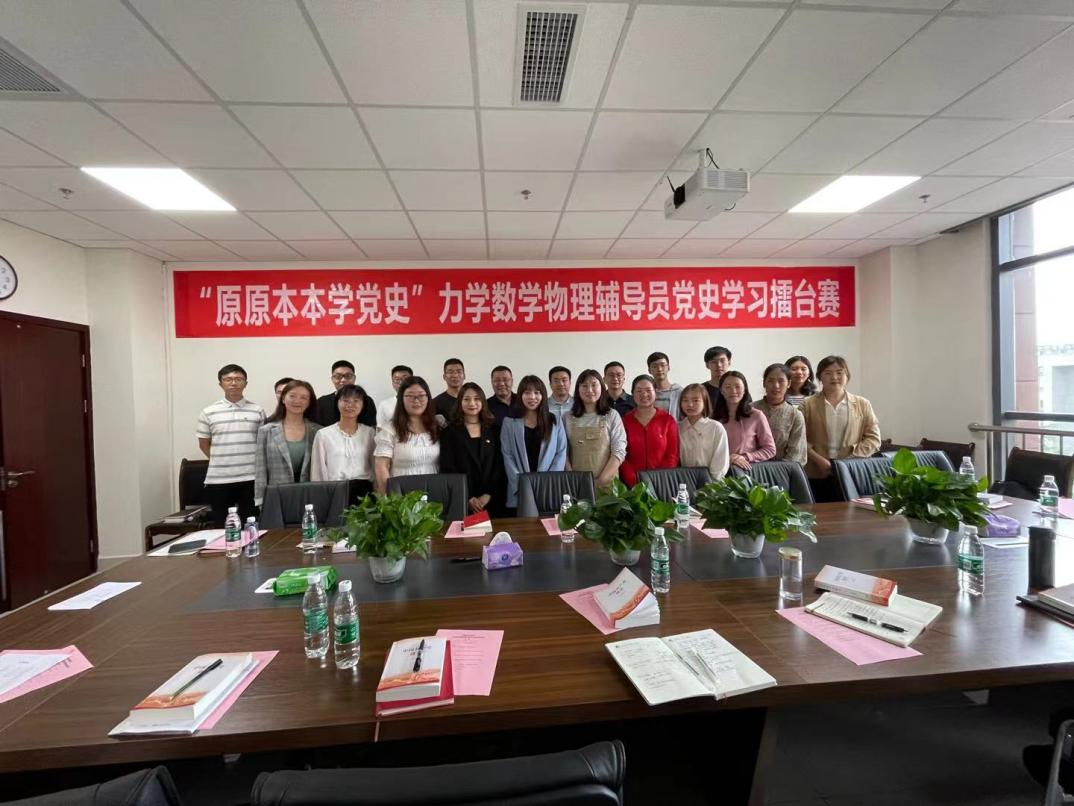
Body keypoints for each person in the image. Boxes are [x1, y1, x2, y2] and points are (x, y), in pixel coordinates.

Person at [800, 356, 882, 500]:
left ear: (847, 376)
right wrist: (819, 460)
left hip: (852, 471)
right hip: (816, 471)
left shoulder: (862, 404)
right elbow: (798, 439)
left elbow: (874, 439)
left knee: (851, 512)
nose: (834, 377)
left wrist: (849, 460)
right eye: (828, 373)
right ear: (819, 377)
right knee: (818, 511)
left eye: (839, 372)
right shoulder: (806, 404)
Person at [197, 364, 266, 525]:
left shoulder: (257, 410)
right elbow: (203, 443)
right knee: (222, 526)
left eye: (238, 379)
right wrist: (221, 461)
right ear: (220, 384)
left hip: (251, 477)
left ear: (245, 383)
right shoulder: (208, 412)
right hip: (219, 479)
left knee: (251, 523)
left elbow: (262, 442)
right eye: (228, 379)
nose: (233, 383)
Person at [439, 383, 507, 516]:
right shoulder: (449, 432)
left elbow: (500, 465)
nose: (472, 403)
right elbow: (448, 467)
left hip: (493, 500)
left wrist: (488, 494)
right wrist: (468, 497)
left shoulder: (494, 430)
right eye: (466, 399)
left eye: (477, 399)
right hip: (462, 501)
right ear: (460, 402)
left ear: (483, 402)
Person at [501, 375, 568, 512]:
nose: (532, 397)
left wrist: (546, 482)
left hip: (548, 487)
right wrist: (523, 485)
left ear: (543, 395)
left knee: (549, 523)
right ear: (520, 395)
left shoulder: (554, 420)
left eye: (537, 392)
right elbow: (508, 456)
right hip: (519, 489)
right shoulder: (509, 422)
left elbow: (560, 453)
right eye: (527, 393)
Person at [254, 380, 321, 506]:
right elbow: (260, 469)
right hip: (277, 497)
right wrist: (261, 500)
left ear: (309, 402)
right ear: (283, 399)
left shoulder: (318, 431)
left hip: (310, 496)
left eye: (303, 397)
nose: (297, 401)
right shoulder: (266, 431)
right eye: (292, 396)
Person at [374, 376, 440, 494]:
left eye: (421, 395)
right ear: (401, 399)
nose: (416, 401)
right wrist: (389, 498)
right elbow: (381, 466)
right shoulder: (390, 429)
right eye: (410, 396)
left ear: (428, 398)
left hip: (433, 491)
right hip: (402, 494)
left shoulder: (437, 426)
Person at [311, 384, 376, 501]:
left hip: (365, 491)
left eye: (356, 401)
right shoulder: (324, 434)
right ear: (337, 403)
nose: (350, 405)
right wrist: (320, 495)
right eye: (345, 400)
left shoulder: (369, 433)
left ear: (363, 405)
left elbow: (375, 465)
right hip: (334, 490)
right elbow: (318, 470)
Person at [563, 369, 627, 489]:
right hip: (576, 485)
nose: (589, 390)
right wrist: (572, 479)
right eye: (584, 386)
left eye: (594, 385)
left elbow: (619, 451)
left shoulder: (612, 415)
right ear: (578, 389)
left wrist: (600, 481)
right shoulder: (567, 417)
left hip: (608, 486)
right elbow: (563, 452)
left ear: (601, 388)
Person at [620, 375, 679, 488]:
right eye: (639, 391)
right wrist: (635, 481)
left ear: (655, 392)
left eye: (648, 390)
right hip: (633, 486)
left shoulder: (667, 420)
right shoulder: (625, 421)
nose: (644, 394)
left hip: (663, 483)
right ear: (632, 394)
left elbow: (672, 455)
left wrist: (660, 479)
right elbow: (622, 455)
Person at [714, 371, 775, 471]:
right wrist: (727, 458)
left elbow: (770, 449)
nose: (733, 390)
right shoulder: (713, 418)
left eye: (737, 386)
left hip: (746, 471)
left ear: (744, 390)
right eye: (728, 387)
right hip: (718, 471)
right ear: (721, 390)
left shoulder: (756, 415)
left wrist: (745, 457)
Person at [754, 364, 807, 466]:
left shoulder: (795, 415)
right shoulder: (750, 409)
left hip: (782, 470)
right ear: (764, 383)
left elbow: (797, 454)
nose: (776, 386)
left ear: (789, 383)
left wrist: (778, 470)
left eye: (781, 381)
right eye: (771, 381)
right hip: (750, 468)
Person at [678, 383, 729, 481]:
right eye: (685, 400)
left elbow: (720, 462)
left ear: (705, 402)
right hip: (684, 480)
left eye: (696, 400)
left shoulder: (716, 428)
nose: (690, 404)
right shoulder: (678, 427)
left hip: (711, 483)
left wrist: (711, 483)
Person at [314, 361, 375, 428]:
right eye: (338, 376)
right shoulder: (321, 402)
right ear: (332, 379)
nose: (343, 380)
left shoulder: (366, 400)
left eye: (348, 376)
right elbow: (317, 427)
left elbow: (371, 427)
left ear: (354, 378)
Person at [647, 351, 682, 419]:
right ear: (649, 370)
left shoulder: (679, 392)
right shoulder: (647, 393)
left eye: (662, 365)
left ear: (668, 368)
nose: (659, 369)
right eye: (654, 366)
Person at [377, 365, 413, 429]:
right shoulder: (384, 404)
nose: (401, 382)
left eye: (405, 379)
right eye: (397, 379)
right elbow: (380, 428)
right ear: (392, 383)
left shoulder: (421, 402)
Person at [702, 346, 731, 413]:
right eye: (714, 362)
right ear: (707, 365)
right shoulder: (701, 390)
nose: (719, 365)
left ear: (729, 363)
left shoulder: (737, 389)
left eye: (722, 361)